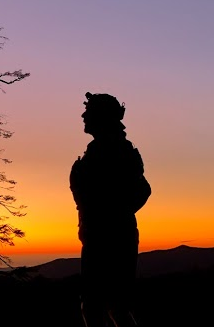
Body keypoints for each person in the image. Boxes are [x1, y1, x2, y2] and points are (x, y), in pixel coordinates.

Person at [70, 92, 152, 327]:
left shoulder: (116, 150)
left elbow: (143, 190)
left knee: (107, 306)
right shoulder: (103, 150)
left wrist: (112, 214)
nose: (84, 116)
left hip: (112, 238)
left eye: (89, 112)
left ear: (101, 117)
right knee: (102, 305)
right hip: (100, 237)